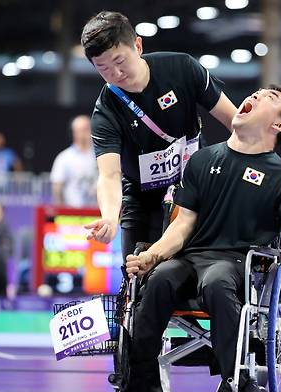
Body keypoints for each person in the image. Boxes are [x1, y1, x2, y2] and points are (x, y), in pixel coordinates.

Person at [124, 85, 281, 392]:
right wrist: (151, 256)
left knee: (216, 282)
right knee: (160, 279)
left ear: (279, 126)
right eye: (256, 93)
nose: (255, 97)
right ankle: (144, 377)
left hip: (237, 265)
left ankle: (232, 385)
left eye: (268, 99)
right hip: (190, 258)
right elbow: (182, 227)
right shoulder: (202, 160)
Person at [80, 11, 237, 258]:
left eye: (120, 61)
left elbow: (234, 121)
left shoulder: (182, 68)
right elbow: (109, 175)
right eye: (104, 69)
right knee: (136, 279)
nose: (116, 74)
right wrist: (109, 218)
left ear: (138, 45)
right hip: (142, 199)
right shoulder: (105, 111)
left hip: (194, 186)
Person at [50, 115, 98, 207]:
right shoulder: (64, 158)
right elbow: (57, 188)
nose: (86, 133)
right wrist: (61, 211)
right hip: (72, 214)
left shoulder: (101, 156)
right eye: (82, 129)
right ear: (74, 132)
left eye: (88, 128)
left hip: (96, 214)